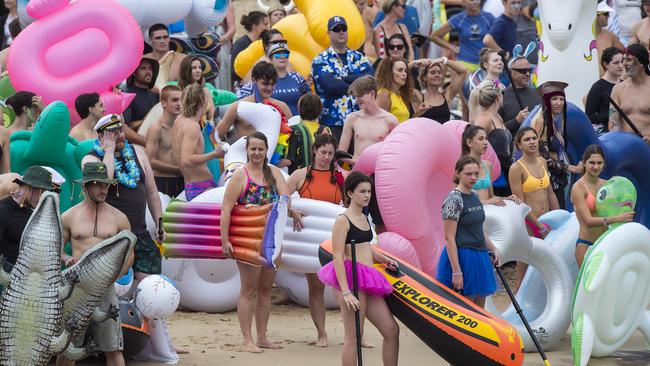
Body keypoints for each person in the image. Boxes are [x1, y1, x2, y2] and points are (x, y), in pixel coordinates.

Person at [317, 171, 399, 366]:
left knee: (391, 330)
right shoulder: (342, 220)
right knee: (354, 336)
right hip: (350, 278)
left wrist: (385, 259)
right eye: (362, 191)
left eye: (369, 191)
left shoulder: (364, 217)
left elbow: (365, 247)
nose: (367, 195)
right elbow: (337, 257)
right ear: (350, 193)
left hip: (369, 277)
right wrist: (345, 293)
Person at [220, 131, 290, 353]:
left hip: (272, 240)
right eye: (253, 149)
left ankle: (262, 336)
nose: (257, 153)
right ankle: (247, 339)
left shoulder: (275, 173)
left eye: (261, 148)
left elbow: (285, 198)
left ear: (266, 150)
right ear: (247, 150)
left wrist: (293, 210)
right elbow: (226, 209)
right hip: (247, 240)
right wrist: (224, 241)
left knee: (266, 289)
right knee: (248, 290)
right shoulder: (241, 176)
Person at [56, 162, 132, 366]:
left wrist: (113, 277)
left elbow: (129, 254)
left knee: (114, 347)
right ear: (85, 186)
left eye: (106, 185)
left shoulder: (119, 217)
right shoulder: (69, 216)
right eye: (98, 184)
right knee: (67, 348)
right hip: (76, 289)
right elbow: (57, 249)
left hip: (105, 289)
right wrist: (66, 259)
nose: (103, 189)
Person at [82, 114, 164, 280]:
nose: (120, 136)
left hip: (139, 233)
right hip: (111, 237)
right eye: (113, 133)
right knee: (118, 287)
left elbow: (152, 192)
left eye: (121, 130)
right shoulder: (90, 159)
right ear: (100, 136)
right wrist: (109, 151)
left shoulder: (138, 152)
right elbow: (105, 179)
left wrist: (159, 223)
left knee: (148, 281)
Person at [286, 134, 343, 348]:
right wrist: (291, 210)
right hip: (311, 240)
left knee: (348, 286)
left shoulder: (339, 177)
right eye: (323, 152)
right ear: (315, 151)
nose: (327, 157)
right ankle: (322, 334)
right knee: (316, 288)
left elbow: (349, 204)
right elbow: (280, 196)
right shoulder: (301, 175)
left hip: (335, 237)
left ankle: (358, 335)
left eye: (330, 153)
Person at [436, 155, 501, 308]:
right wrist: (457, 272)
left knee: (480, 310)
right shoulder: (454, 199)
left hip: (480, 256)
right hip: (463, 257)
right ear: (458, 173)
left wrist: (493, 248)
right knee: (466, 310)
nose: (473, 178)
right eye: (468, 174)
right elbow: (449, 238)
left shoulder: (475, 194)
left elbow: (479, 228)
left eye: (476, 174)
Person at [339, 76, 398, 235]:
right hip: (358, 176)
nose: (357, 99)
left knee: (381, 223)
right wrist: (355, 161)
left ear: (372, 93)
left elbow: (397, 153)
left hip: (380, 178)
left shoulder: (390, 120)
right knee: (354, 220)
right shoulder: (353, 118)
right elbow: (340, 153)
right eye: (355, 96)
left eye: (360, 95)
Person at [509, 127, 558, 288]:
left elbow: (550, 192)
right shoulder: (516, 169)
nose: (532, 142)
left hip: (546, 221)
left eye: (534, 138)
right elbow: (521, 204)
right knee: (523, 274)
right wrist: (538, 225)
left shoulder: (542, 162)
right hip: (529, 224)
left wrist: (559, 217)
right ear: (519, 145)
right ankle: (516, 311)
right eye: (527, 139)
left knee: (547, 270)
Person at [312, 15, 374, 141]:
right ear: (328, 33)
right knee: (335, 159)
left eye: (343, 29)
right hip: (333, 123)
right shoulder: (320, 59)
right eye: (336, 29)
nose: (341, 32)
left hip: (360, 121)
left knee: (358, 160)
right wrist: (358, 83)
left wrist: (343, 78)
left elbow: (371, 80)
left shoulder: (358, 57)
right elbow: (330, 86)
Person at [570, 145, 634, 268]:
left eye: (600, 163)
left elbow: (617, 207)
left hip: (605, 243)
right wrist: (618, 218)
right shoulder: (578, 187)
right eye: (592, 163)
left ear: (604, 164)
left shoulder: (607, 185)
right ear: (584, 163)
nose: (596, 166)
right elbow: (588, 221)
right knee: (588, 287)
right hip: (586, 244)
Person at [528, 81, 583, 208]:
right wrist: (572, 168)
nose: (559, 103)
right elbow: (543, 156)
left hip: (557, 177)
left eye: (561, 99)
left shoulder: (555, 120)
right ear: (547, 101)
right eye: (554, 99)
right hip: (548, 179)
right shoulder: (541, 121)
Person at [218, 61, 292, 149]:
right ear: (254, 80)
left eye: (273, 84)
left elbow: (295, 135)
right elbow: (218, 134)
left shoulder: (282, 106)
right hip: (245, 159)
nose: (269, 88)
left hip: (273, 160)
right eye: (265, 84)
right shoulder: (238, 107)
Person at [172, 84, 226, 201]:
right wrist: (215, 154)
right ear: (202, 101)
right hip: (201, 187)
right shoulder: (192, 126)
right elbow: (186, 159)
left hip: (192, 185)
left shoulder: (179, 120)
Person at [0, 166, 58, 271]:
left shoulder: (33, 212)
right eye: (42, 192)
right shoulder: (2, 211)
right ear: (29, 188)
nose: (43, 198)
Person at [238, 43, 309, 116]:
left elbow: (308, 101)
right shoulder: (262, 79)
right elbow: (240, 97)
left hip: (295, 123)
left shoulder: (297, 77)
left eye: (286, 55)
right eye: (277, 55)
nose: (282, 57)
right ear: (270, 59)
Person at [470, 79, 513, 196]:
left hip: (505, 171)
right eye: (502, 94)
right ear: (498, 97)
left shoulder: (497, 117)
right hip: (494, 176)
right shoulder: (484, 119)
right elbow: (471, 144)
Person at [461, 124, 519, 205]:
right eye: (481, 139)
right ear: (469, 142)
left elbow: (491, 196)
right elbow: (459, 200)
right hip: (471, 215)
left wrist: (507, 198)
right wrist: (485, 202)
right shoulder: (462, 166)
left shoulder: (488, 165)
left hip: (488, 214)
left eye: (486, 139)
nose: (485, 143)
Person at [430, 0, 495, 72]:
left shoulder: (489, 17)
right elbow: (434, 36)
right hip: (464, 62)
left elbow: (500, 36)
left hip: (484, 64)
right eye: (471, 0)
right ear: (464, 2)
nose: (475, 2)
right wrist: (452, 47)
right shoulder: (458, 18)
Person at [145, 85, 184, 198]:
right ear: (164, 103)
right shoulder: (156, 128)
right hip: (163, 181)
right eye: (174, 100)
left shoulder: (182, 126)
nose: (179, 103)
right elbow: (150, 161)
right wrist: (177, 170)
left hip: (181, 179)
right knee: (164, 216)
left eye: (181, 100)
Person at [609, 44, 650, 141]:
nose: (624, 64)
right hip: (626, 148)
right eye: (623, 60)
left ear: (641, 63)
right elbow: (613, 123)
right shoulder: (617, 89)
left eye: (629, 60)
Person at [286, 93, 331, 174]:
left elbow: (288, 160)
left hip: (297, 177)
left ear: (299, 109)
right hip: (319, 174)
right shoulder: (325, 130)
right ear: (320, 110)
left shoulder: (293, 129)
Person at [498, 56, 542, 136]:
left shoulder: (538, 93)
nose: (528, 74)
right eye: (523, 71)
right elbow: (495, 131)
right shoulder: (501, 97)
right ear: (511, 72)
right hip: (512, 146)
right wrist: (516, 121)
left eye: (529, 70)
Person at [585, 47, 624, 136]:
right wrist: (615, 113)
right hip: (608, 133)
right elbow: (590, 116)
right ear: (605, 64)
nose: (621, 65)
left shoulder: (625, 84)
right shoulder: (598, 87)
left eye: (622, 61)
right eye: (616, 63)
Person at [418, 56, 468, 123]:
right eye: (433, 72)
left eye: (439, 73)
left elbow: (463, 71)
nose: (437, 75)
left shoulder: (447, 94)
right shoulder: (418, 96)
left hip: (443, 133)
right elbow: (406, 73)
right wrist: (415, 63)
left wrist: (444, 60)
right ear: (424, 77)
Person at [122, 56, 159, 146]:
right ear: (134, 72)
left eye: (150, 68)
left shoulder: (156, 95)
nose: (148, 72)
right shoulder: (127, 95)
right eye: (143, 68)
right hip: (136, 147)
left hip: (157, 145)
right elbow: (125, 127)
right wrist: (148, 120)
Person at [231, 11, 270, 87]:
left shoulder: (263, 43)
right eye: (265, 24)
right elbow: (234, 70)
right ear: (255, 25)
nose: (267, 27)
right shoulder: (241, 43)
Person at [178, 56, 216, 122]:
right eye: (194, 68)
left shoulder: (205, 91)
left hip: (203, 129)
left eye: (200, 68)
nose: (198, 71)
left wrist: (208, 130)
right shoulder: (178, 91)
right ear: (186, 70)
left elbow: (211, 117)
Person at [595, 2, 625, 77]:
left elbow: (626, 54)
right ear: (595, 15)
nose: (608, 16)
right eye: (605, 13)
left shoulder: (610, 36)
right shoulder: (581, 37)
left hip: (606, 83)